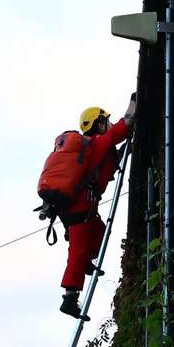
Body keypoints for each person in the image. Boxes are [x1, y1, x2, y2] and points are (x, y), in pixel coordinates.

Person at [58, 95, 135, 319]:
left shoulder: (95, 151)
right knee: (77, 251)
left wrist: (124, 153)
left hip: (83, 208)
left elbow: (108, 165)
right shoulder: (98, 143)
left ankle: (86, 264)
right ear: (99, 124)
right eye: (106, 121)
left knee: (99, 231)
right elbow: (124, 125)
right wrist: (134, 101)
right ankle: (69, 298)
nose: (109, 124)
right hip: (79, 209)